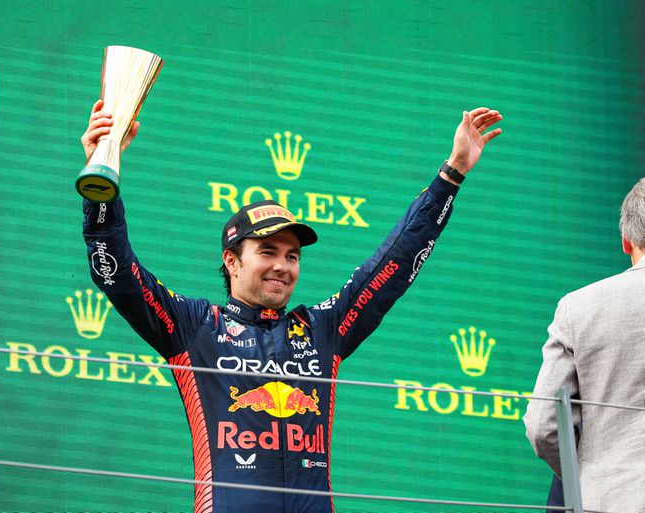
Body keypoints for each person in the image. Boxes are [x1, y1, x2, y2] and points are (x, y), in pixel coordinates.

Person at [80, 100, 503, 513]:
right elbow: (116, 269)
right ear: (232, 261)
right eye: (267, 252)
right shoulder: (194, 327)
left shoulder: (323, 329)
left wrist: (452, 174)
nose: (282, 266)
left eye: (292, 255)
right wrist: (102, 174)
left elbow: (394, 262)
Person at [523, 177, 645, 513]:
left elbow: (542, 425)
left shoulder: (578, 308)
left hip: (609, 500)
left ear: (626, 242)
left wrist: (587, 479)